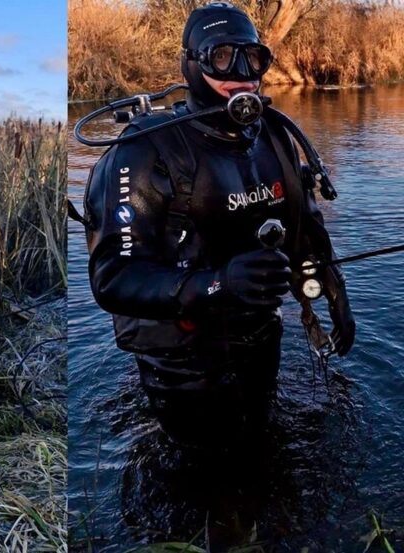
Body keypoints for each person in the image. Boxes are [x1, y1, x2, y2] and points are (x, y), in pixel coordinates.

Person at [83, 2, 355, 446]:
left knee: (263, 447)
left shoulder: (275, 134)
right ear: (192, 65)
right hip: (182, 364)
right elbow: (113, 278)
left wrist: (333, 286)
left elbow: (305, 224)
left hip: (261, 337)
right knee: (201, 468)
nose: (242, 74)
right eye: (223, 57)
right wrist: (217, 284)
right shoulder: (145, 151)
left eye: (254, 58)